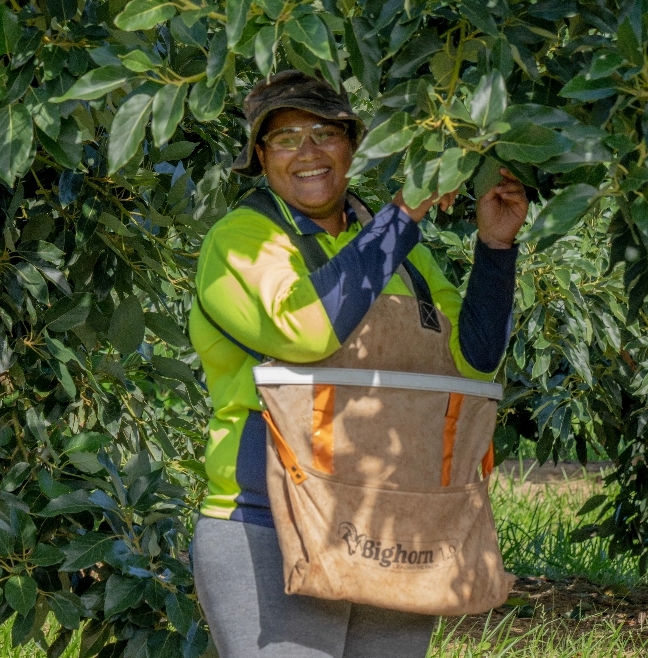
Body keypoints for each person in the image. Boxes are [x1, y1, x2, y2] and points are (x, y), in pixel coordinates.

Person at [188, 70, 528, 658]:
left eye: (324, 132)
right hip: (269, 525)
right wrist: (401, 217)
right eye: (286, 138)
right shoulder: (242, 239)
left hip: (395, 521)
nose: (309, 152)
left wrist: (495, 249)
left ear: (351, 145)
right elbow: (306, 329)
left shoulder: (400, 251)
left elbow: (472, 366)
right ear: (261, 158)